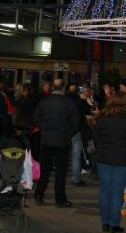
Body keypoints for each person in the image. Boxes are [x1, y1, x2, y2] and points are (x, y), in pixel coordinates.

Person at [94, 91, 126, 233]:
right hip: (123, 159)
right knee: (116, 192)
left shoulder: (102, 116)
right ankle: (114, 224)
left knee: (104, 190)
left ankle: (105, 223)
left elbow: (95, 137)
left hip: (103, 158)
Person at [33, 79, 80, 207]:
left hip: (46, 139)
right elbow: (76, 123)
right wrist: (68, 133)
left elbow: (36, 118)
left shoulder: (44, 102)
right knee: (61, 171)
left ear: (53, 87)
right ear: (64, 87)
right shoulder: (69, 103)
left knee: (44, 169)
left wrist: (44, 128)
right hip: (62, 141)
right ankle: (60, 199)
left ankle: (39, 194)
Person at [68, 83, 92, 186]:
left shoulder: (65, 101)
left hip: (64, 130)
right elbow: (90, 111)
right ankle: (76, 179)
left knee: (62, 154)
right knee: (76, 155)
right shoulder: (81, 102)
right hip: (77, 130)